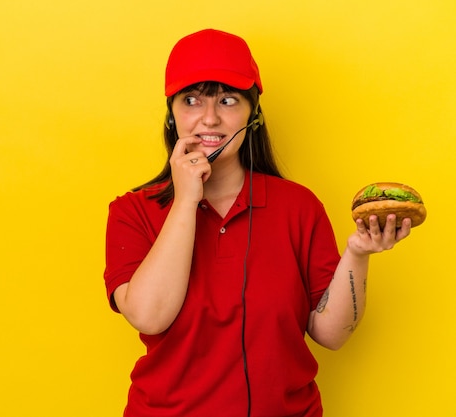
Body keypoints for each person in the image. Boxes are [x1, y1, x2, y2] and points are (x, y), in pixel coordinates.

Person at [103, 28, 411, 417]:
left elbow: (332, 335)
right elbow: (149, 315)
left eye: (228, 100)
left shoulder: (298, 206)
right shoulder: (132, 211)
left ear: (254, 114)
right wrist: (185, 200)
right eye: (192, 100)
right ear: (171, 114)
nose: (209, 118)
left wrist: (358, 254)